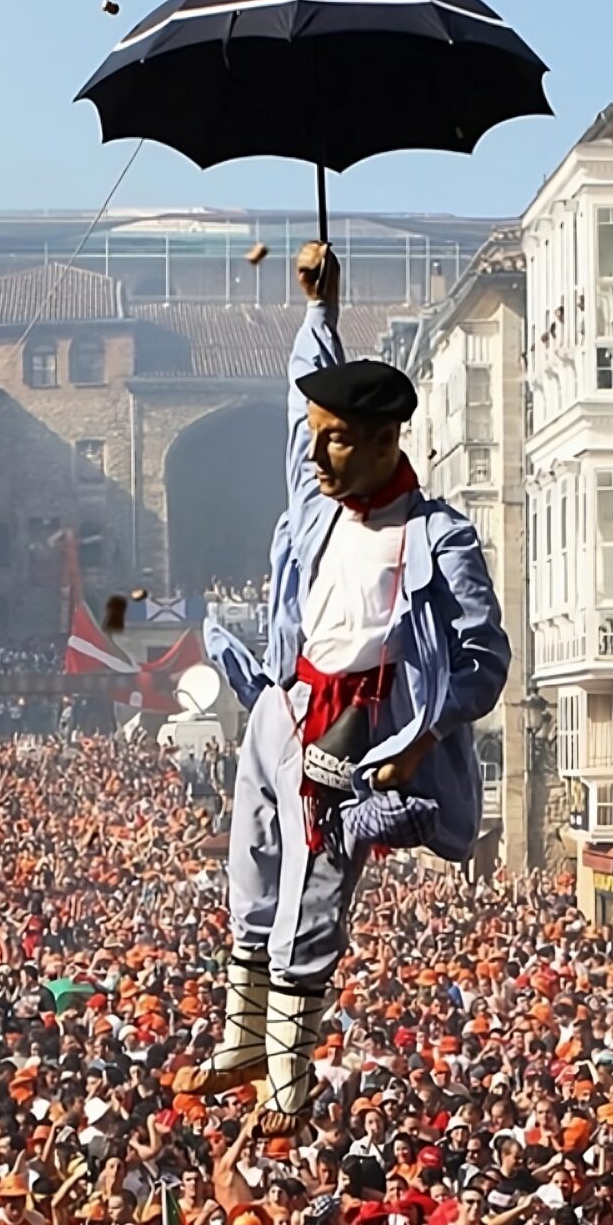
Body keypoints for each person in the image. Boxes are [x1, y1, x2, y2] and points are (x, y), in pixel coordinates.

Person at [192, 238, 510, 1139]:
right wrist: (321, 310)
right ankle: (244, 1035)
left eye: (339, 442)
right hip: (282, 701)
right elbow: (305, 405)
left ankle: (288, 1069)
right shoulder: (313, 504)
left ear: (383, 443)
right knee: (251, 860)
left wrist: (419, 739)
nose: (321, 456)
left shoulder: (438, 537)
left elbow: (485, 657)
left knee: (315, 885)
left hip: (358, 729)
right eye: (319, 440)